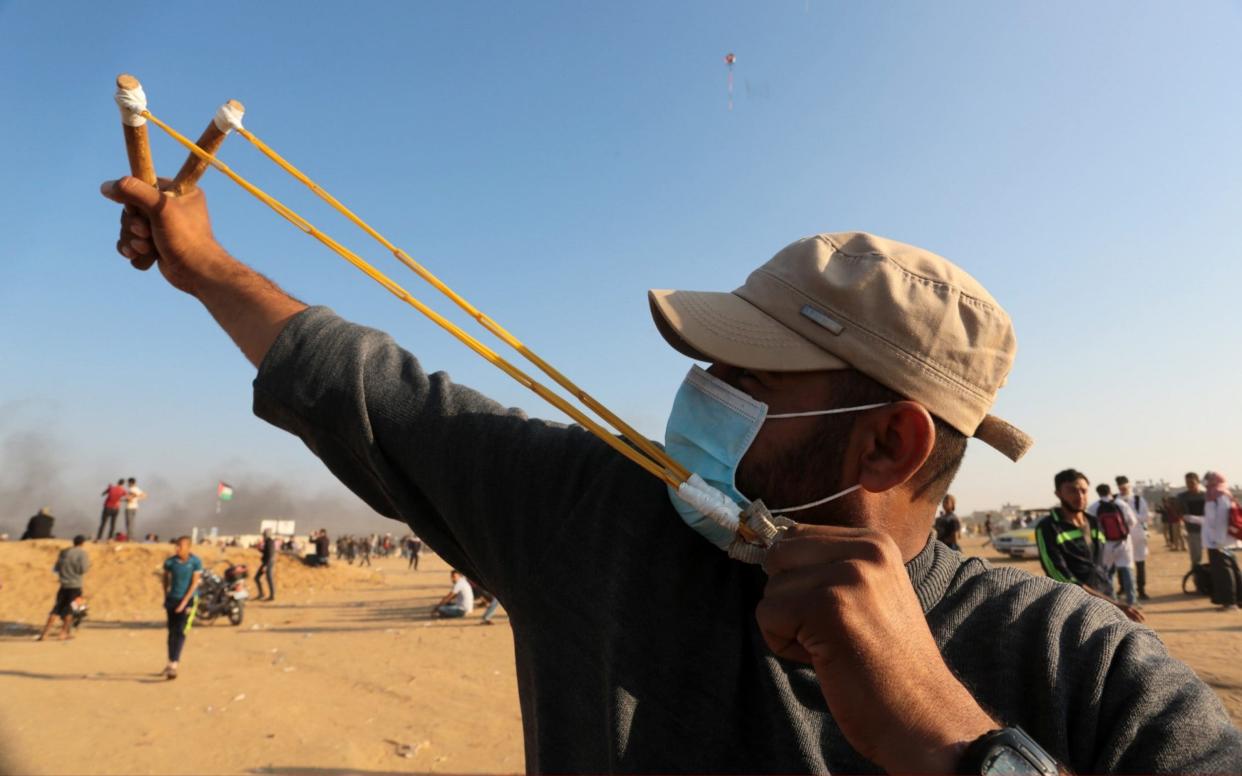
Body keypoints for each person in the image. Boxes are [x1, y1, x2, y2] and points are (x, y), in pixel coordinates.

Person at [100, 174, 1242, 772]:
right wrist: (205, 267)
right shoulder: (598, 514)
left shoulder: (1080, 663)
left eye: (747, 376)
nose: (695, 392)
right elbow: (373, 388)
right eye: (706, 363)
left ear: (888, 441)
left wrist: (954, 744)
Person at [1036, 470, 1141, 622]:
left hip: (1105, 598)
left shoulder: (1094, 522)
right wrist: (1111, 603)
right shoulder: (1048, 527)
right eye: (1072, 491)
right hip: (1073, 609)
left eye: (1083, 491)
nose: (1079, 496)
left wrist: (1109, 598)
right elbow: (1059, 577)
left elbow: (1101, 564)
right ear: (1058, 493)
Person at [1087, 482, 1138, 607]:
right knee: (1127, 570)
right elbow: (1132, 521)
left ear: (1098, 493)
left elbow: (1089, 525)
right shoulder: (1121, 504)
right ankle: (1132, 601)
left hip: (1105, 544)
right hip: (1123, 542)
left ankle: (1112, 600)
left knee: (1107, 573)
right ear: (1110, 491)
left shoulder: (1094, 507)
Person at [161, 536, 203, 679]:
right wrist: (166, 594)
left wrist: (184, 602)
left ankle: (175, 663)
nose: (177, 548)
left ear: (188, 547)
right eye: (176, 546)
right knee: (171, 631)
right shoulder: (170, 562)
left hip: (187, 601)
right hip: (172, 599)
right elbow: (165, 578)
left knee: (181, 631)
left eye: (180, 546)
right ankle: (170, 661)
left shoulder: (195, 562)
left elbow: (194, 584)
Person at [38, 535, 90, 641]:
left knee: (56, 609)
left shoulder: (64, 552)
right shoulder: (82, 553)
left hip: (63, 586)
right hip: (75, 586)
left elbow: (56, 568)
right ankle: (63, 633)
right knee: (72, 610)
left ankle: (45, 634)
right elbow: (83, 569)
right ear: (82, 543)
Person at [1202, 471, 1242, 611]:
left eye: (1207, 479)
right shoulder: (1223, 494)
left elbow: (1219, 520)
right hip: (1224, 539)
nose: (1205, 482)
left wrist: (1217, 541)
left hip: (1219, 540)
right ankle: (1236, 600)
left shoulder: (1217, 494)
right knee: (1231, 568)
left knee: (1223, 570)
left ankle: (1229, 602)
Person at [1115, 476, 1150, 600]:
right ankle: (1123, 588)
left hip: (1138, 535)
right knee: (1121, 564)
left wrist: (1130, 514)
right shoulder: (1115, 500)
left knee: (1140, 563)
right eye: (1121, 488)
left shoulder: (1138, 500)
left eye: (1125, 487)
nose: (1123, 490)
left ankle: (1141, 589)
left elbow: (1145, 517)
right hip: (1121, 537)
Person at [1178, 472, 1207, 569]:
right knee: (1196, 558)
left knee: (1214, 557)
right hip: (1193, 531)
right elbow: (1180, 512)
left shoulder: (1206, 496)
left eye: (1191, 482)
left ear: (1198, 482)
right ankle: (1197, 579)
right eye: (1187, 483)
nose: (1189, 485)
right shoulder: (1182, 497)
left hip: (1208, 530)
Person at [255, 528, 276, 601]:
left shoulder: (270, 542)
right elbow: (266, 552)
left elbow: (270, 555)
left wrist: (266, 566)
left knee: (269, 579)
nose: (263, 535)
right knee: (257, 578)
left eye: (264, 534)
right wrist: (259, 549)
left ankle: (272, 596)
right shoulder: (267, 542)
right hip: (266, 562)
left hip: (268, 563)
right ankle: (262, 594)